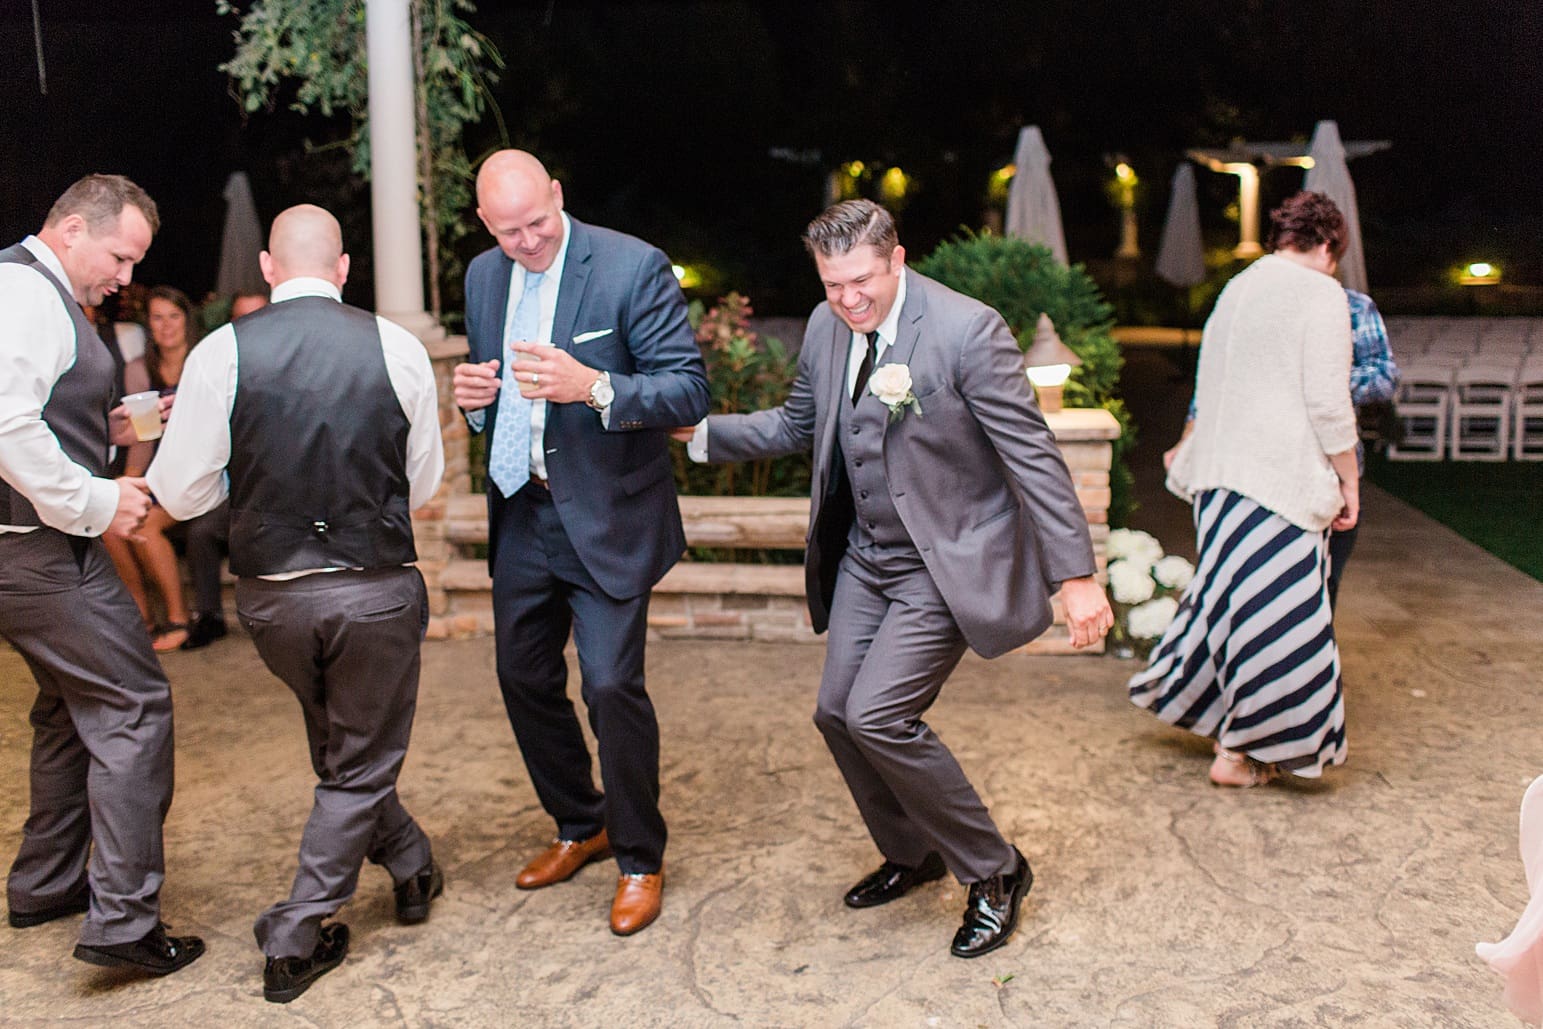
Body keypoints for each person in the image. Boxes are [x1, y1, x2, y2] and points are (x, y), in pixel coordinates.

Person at [677, 199, 1113, 958]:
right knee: (834, 712)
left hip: (943, 563)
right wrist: (699, 434)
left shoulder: (965, 330)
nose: (847, 300)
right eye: (830, 284)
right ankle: (913, 851)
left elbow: (1032, 455)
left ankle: (996, 869)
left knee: (878, 713)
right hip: (865, 558)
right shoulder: (825, 328)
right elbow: (796, 426)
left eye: (860, 281)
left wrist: (1075, 573)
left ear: (897, 259)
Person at [147, 204, 446, 1003]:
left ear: (271, 271)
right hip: (375, 589)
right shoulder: (399, 347)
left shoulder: (220, 353)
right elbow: (422, 483)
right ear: (345, 268)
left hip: (274, 598)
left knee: (344, 747)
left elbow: (178, 490)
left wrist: (244, 483)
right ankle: (295, 933)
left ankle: (412, 865)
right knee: (358, 761)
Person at [454, 150, 709, 936]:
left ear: (558, 195)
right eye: (508, 232)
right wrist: (471, 403)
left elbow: (688, 389)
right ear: (485, 225)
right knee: (520, 675)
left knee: (608, 685)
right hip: (521, 511)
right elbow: (493, 390)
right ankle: (580, 820)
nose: (527, 242)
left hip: (606, 514)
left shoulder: (632, 267)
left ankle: (639, 855)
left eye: (536, 222)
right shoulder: (482, 276)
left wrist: (593, 386)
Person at [0, 173, 203, 975]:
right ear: (73, 230)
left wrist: (118, 424)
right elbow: (7, 423)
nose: (124, 277)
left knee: (66, 706)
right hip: (37, 550)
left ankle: (45, 884)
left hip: (29, 549)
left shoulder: (46, 295)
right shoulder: (23, 292)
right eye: (120, 258)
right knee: (133, 704)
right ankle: (123, 920)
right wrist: (95, 499)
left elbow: (45, 410)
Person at [1134, 191, 1360, 788]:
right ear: (1330, 246)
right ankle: (1239, 754)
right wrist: (1349, 476)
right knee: (1282, 622)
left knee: (1235, 609)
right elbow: (1329, 404)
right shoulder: (1321, 294)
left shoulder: (1237, 289)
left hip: (1221, 482)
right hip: (1278, 484)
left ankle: (1227, 733)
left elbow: (1208, 387)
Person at [1168, 284, 1398, 611]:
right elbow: (1215, 378)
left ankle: (1309, 657)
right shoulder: (1254, 300)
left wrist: (1319, 380)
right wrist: (1187, 437)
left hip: (1328, 472)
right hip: (1257, 471)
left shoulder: (1354, 306)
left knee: (1320, 586)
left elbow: (1384, 377)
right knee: (1251, 584)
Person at [102, 286, 199, 650]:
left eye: (173, 316)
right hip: (155, 469)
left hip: (194, 471)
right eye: (157, 317)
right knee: (112, 526)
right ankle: (141, 617)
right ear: (149, 325)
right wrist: (130, 481)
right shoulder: (140, 370)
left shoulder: (202, 362)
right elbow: (143, 435)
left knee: (145, 528)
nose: (166, 325)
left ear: (187, 320)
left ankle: (178, 618)